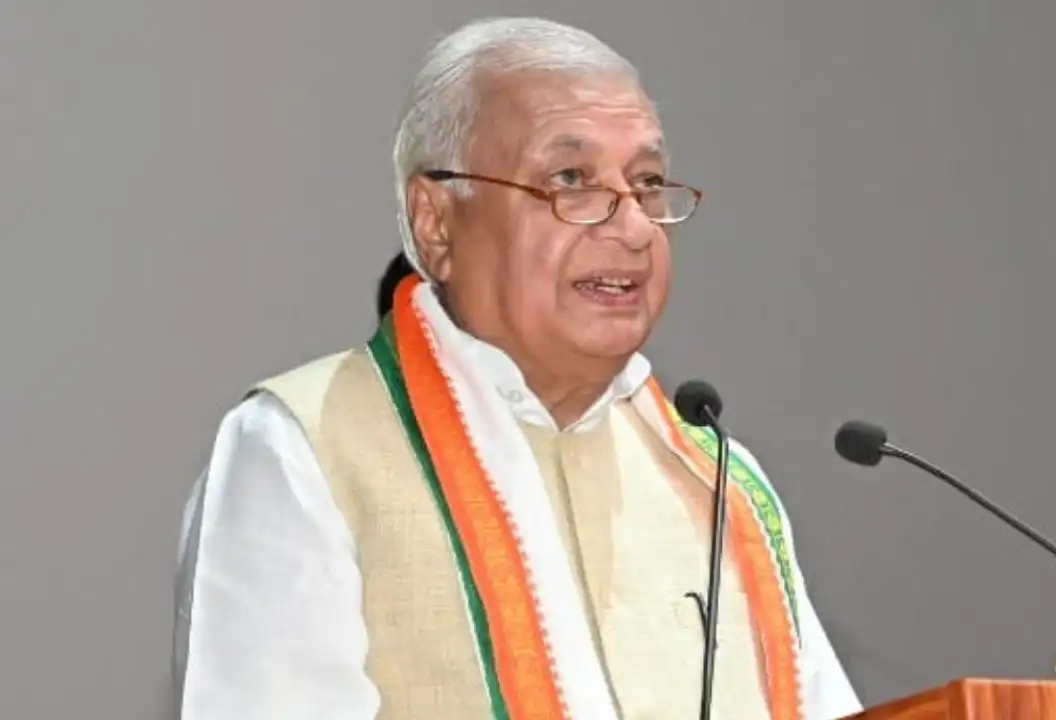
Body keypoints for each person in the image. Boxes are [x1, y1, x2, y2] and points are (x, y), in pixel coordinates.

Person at [172, 16, 862, 720]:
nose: (633, 228)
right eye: (571, 179)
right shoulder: (304, 448)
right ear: (436, 221)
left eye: (648, 183)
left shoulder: (716, 481)